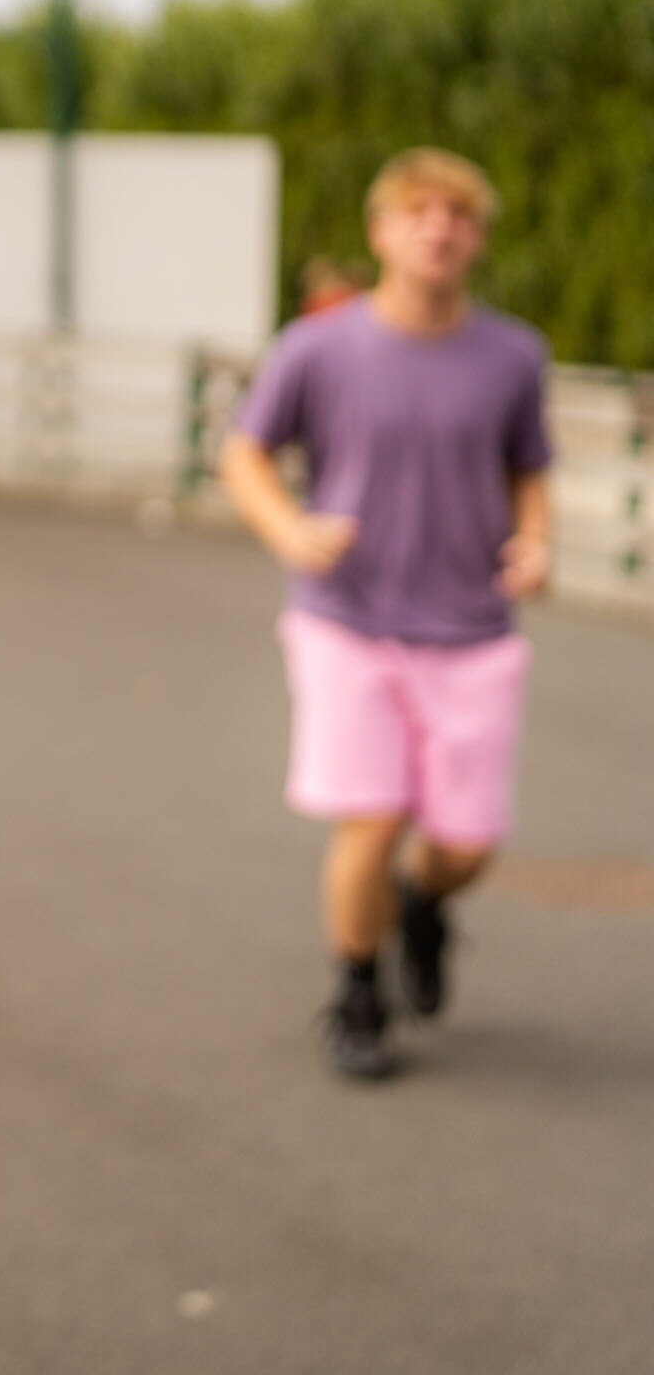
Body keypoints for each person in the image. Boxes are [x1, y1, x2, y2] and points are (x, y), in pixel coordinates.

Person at [220, 147, 553, 1083]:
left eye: (459, 214)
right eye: (419, 211)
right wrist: (288, 529)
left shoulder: (512, 356)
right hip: (348, 620)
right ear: (381, 232)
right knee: (371, 814)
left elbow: (530, 467)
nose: (439, 228)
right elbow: (244, 453)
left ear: (478, 239)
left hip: (471, 629)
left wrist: (536, 542)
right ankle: (357, 990)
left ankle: (424, 902)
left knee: (466, 844)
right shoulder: (317, 349)